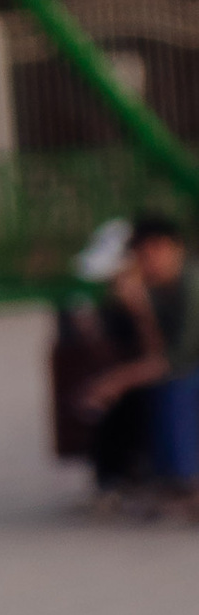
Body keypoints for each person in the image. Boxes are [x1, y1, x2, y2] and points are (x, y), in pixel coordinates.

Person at [83, 214, 199, 503]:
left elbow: (178, 358)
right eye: (143, 255)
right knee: (132, 392)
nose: (151, 261)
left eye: (157, 251)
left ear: (177, 248)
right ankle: (133, 477)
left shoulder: (192, 286)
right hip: (177, 367)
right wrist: (140, 309)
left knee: (176, 385)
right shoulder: (152, 290)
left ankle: (186, 479)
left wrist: (117, 381)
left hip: (187, 370)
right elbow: (155, 352)